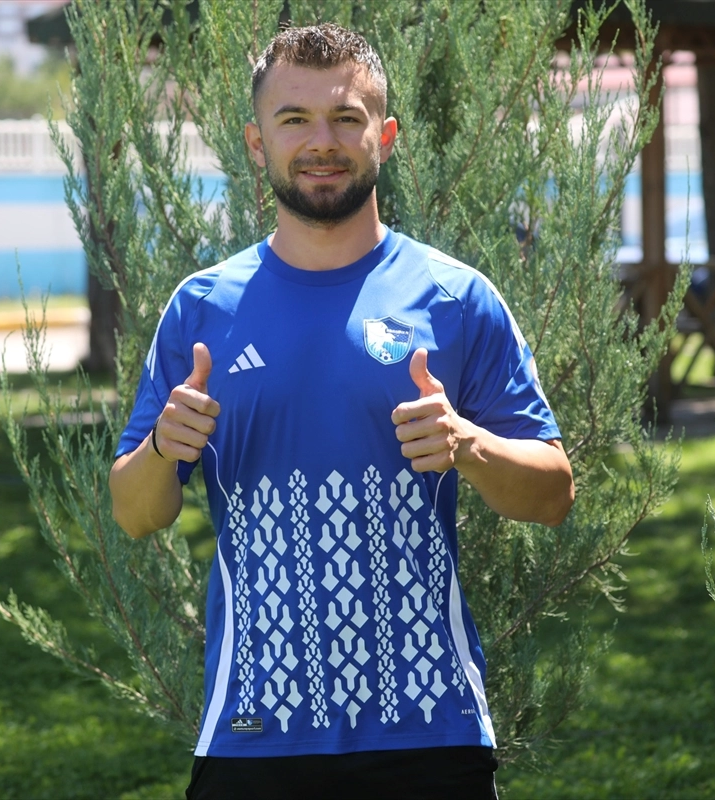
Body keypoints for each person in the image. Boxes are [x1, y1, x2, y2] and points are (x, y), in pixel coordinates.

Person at [109, 23, 574, 800]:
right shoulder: (201, 309)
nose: (321, 141)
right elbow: (133, 513)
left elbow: (554, 493)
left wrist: (468, 444)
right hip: (251, 737)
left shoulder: (457, 298)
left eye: (346, 118)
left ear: (384, 137)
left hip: (432, 735)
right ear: (257, 143)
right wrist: (162, 447)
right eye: (294, 119)